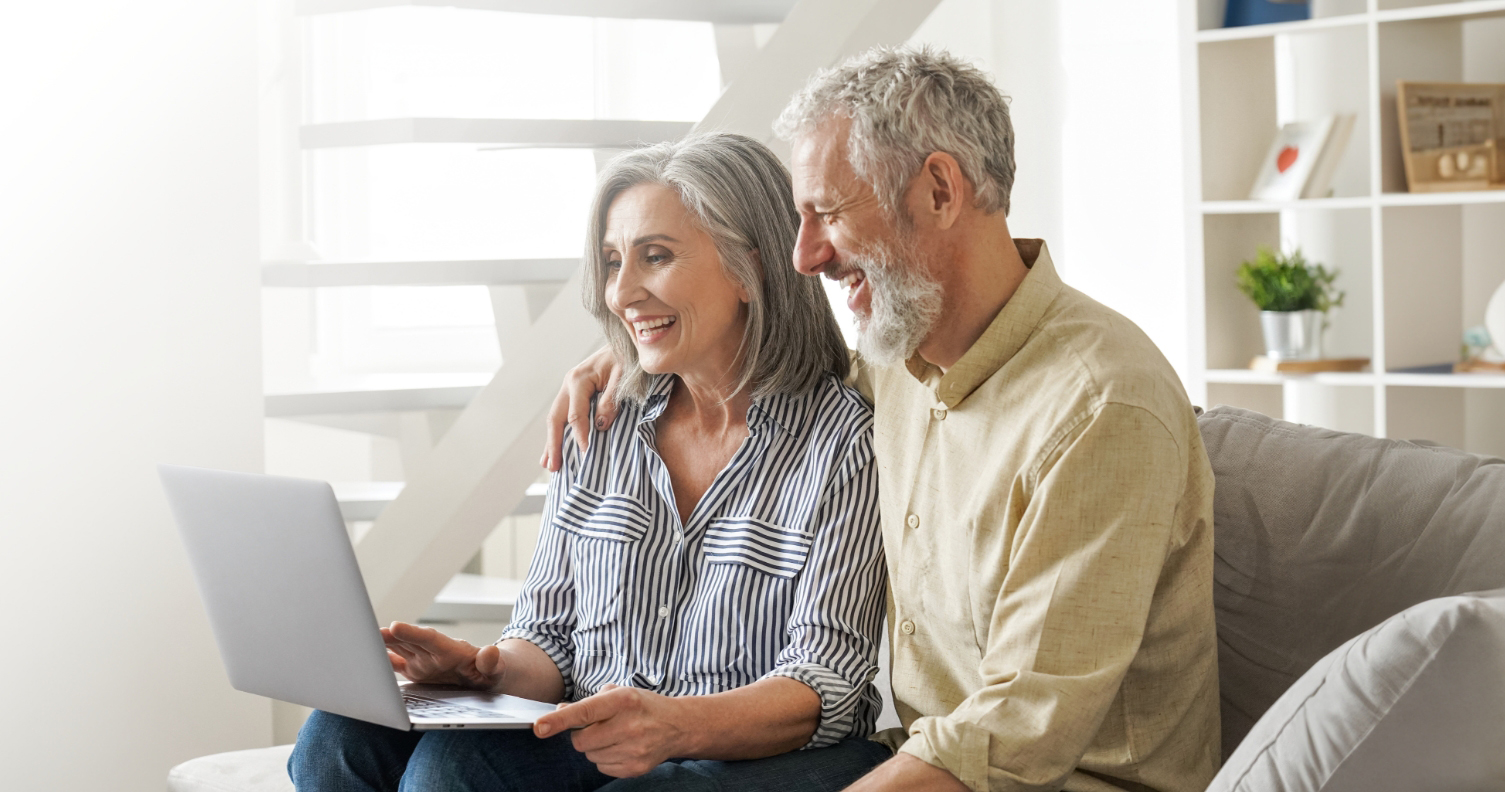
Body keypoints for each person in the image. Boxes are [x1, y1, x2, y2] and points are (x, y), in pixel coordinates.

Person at [546, 47, 1221, 792]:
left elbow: (1022, 722)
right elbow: (767, 359)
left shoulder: (1098, 406)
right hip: (918, 755)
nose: (803, 256)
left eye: (827, 213)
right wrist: (630, 353)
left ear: (938, 190)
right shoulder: (896, 362)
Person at [289, 133, 892, 791]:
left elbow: (822, 681)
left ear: (753, 269)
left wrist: (672, 725)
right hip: (601, 731)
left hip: (760, 754)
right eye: (611, 263)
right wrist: (482, 670)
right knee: (336, 736)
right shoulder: (602, 420)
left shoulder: (844, 442)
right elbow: (547, 636)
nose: (621, 293)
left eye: (654, 258)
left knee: (452, 776)